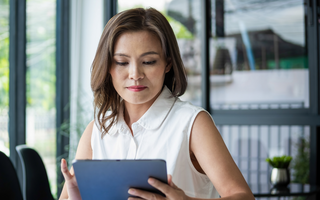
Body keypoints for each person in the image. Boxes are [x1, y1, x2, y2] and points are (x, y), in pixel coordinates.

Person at [59, 7, 254, 200]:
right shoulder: (96, 131)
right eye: (122, 62)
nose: (135, 75)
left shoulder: (192, 124)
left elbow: (243, 196)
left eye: (149, 61)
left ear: (167, 63)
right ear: (108, 65)